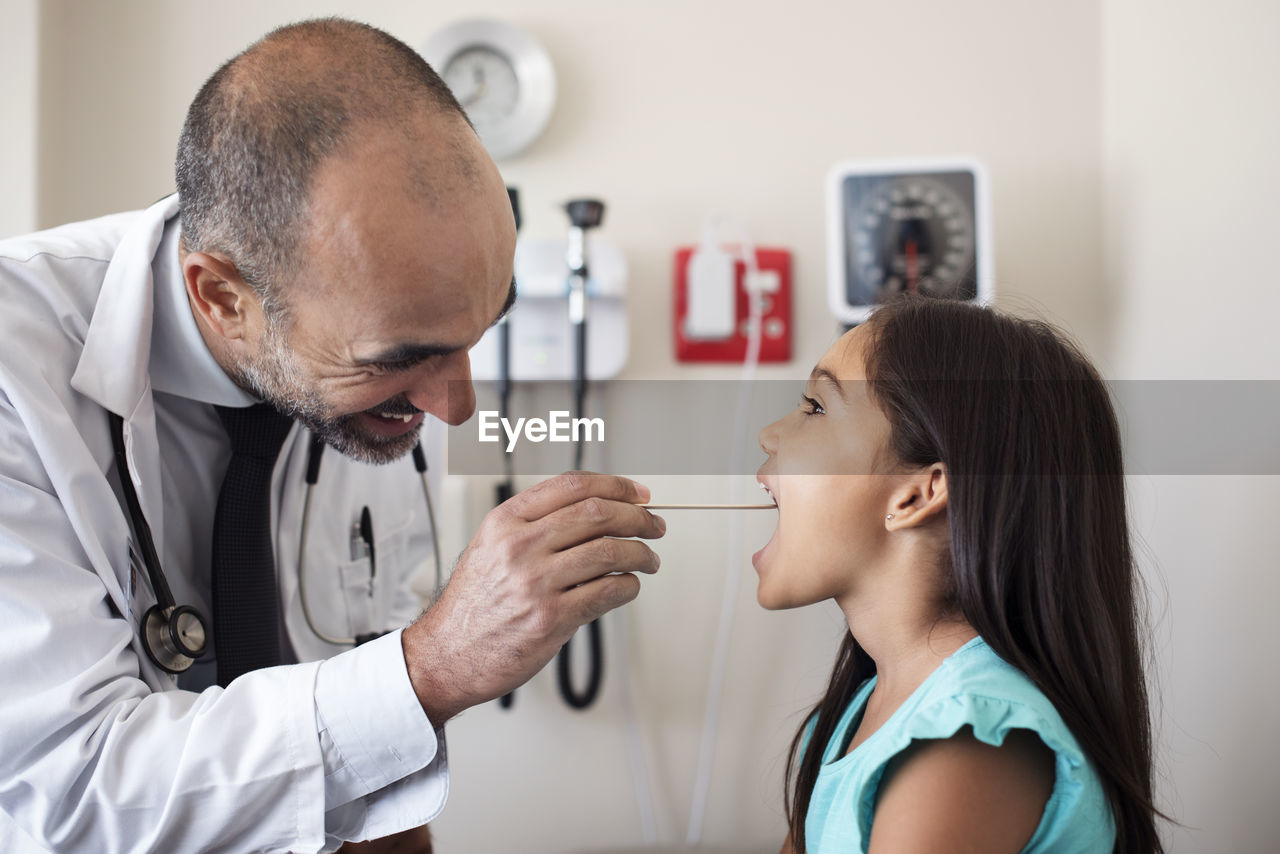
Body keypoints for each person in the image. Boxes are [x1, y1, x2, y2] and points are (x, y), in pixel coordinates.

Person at [0, 18, 664, 854]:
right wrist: (433, 668)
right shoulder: (14, 376)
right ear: (223, 297)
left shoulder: (368, 387)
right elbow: (67, 793)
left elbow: (356, 699)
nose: (454, 406)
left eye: (477, 334)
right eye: (403, 358)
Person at [755, 297, 1164, 853]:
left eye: (815, 407)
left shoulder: (965, 741)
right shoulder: (848, 720)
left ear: (918, 493)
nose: (769, 435)